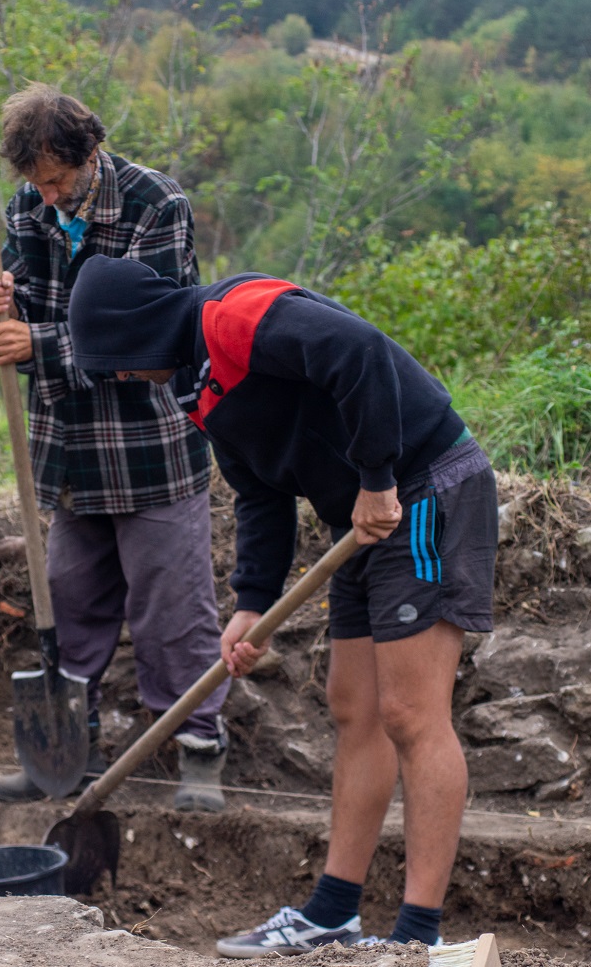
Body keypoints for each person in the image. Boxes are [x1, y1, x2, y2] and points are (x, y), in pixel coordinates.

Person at [67, 254, 499, 950]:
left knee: (409, 713)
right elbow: (260, 490)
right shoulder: (193, 386)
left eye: (113, 360)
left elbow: (358, 351)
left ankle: (416, 936)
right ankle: (331, 911)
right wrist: (251, 602)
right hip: (361, 519)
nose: (118, 376)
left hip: (423, 489)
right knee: (353, 706)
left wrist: (377, 477)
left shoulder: (231, 316)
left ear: (134, 328)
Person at [0, 84, 230, 812]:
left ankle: (199, 751)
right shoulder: (28, 210)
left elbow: (155, 333)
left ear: (90, 154)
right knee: (73, 605)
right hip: (67, 447)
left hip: (149, 442)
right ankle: (66, 756)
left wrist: (39, 343)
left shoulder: (156, 204)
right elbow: (12, 338)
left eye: (57, 180)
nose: (47, 197)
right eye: (35, 183)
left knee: (172, 611)